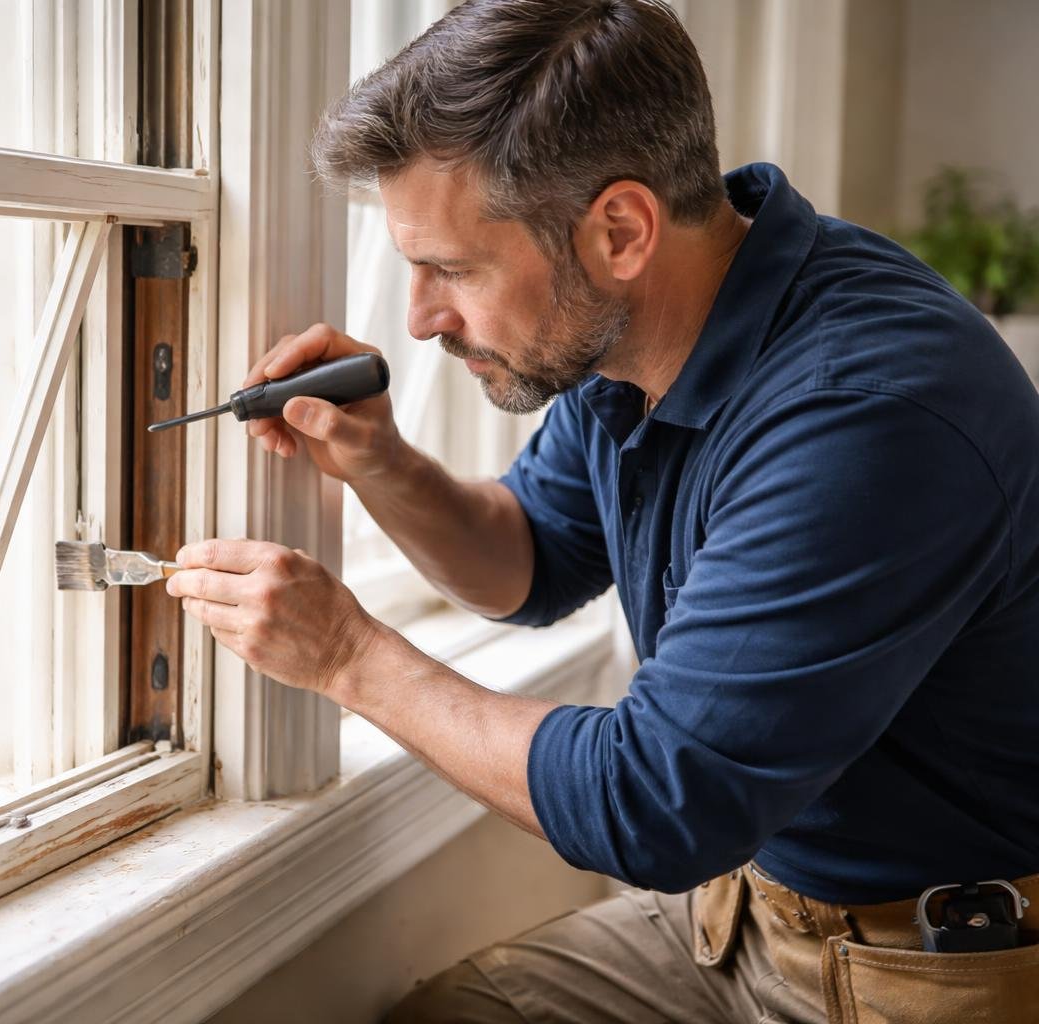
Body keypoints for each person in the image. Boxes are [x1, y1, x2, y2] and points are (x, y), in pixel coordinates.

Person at [163, 1, 1039, 1021]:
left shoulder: (867, 413)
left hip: (936, 966)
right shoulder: (638, 338)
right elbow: (531, 559)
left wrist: (348, 656)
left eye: (450, 267)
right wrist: (379, 461)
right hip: (745, 915)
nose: (419, 318)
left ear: (620, 230)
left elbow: (653, 802)